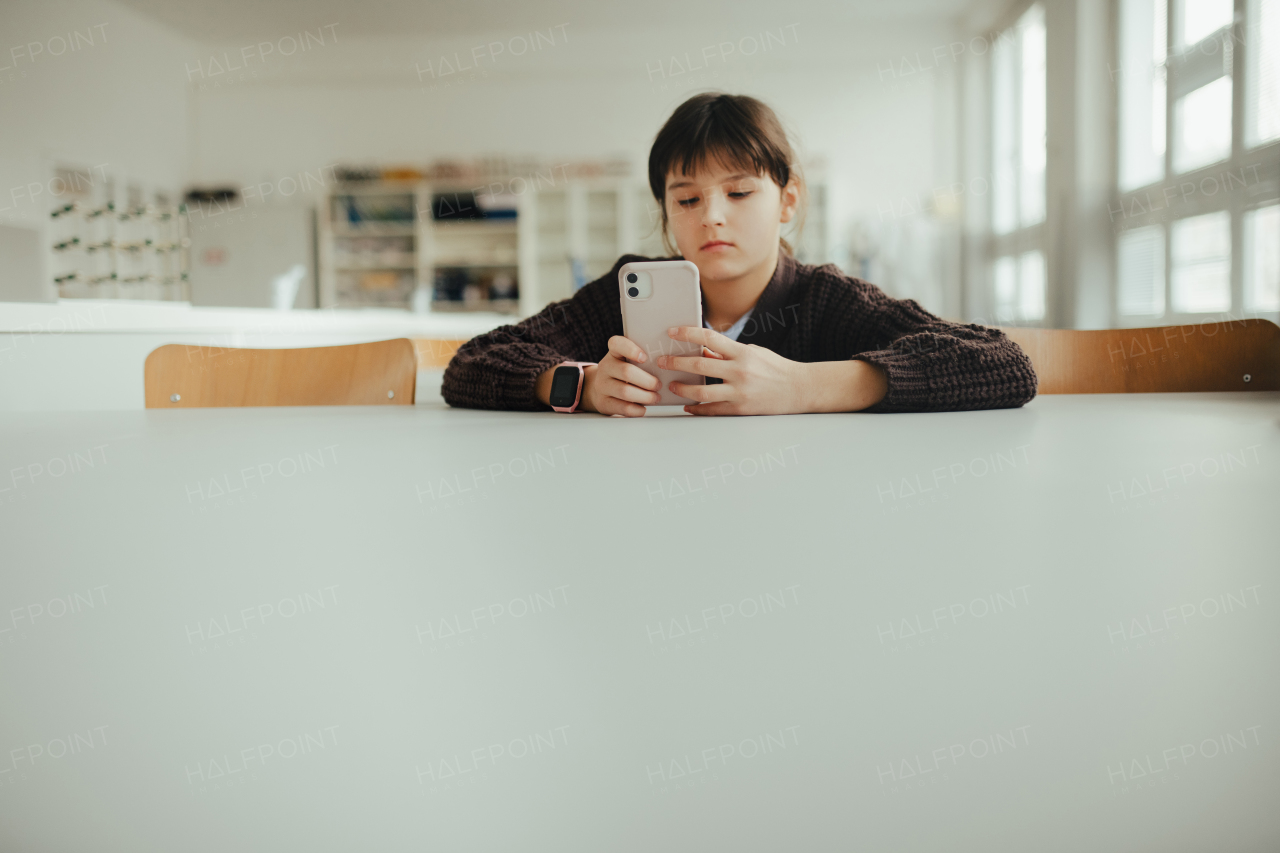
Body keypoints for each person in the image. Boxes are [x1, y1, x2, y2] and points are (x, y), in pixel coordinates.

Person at [442, 92, 1037, 416]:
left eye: (740, 190)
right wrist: (577, 385)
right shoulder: (630, 290)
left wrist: (804, 388)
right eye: (688, 198)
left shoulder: (825, 300)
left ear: (787, 200)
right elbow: (471, 364)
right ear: (667, 212)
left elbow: (1001, 363)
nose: (712, 215)